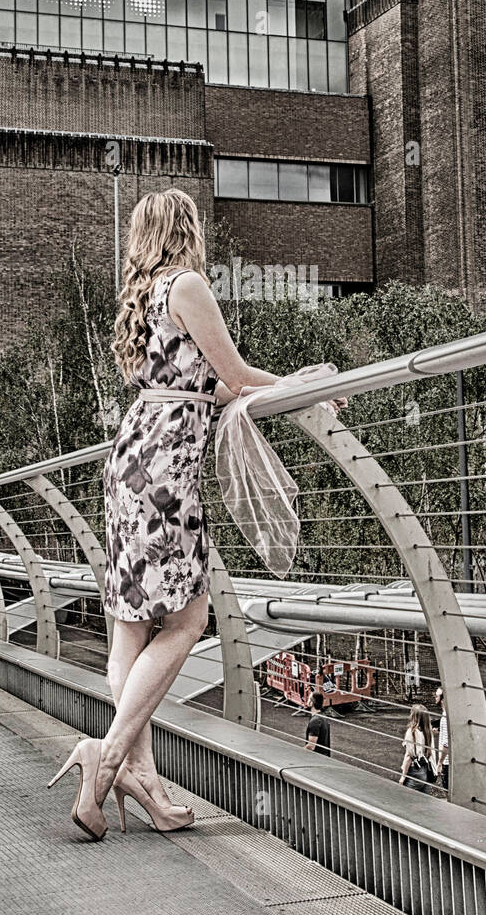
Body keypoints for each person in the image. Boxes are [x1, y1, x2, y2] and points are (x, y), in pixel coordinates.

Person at [48, 189, 345, 839]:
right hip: (162, 471)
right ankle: (104, 761)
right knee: (187, 617)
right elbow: (234, 375)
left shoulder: (145, 295)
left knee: (132, 625)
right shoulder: (187, 286)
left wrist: (294, 386)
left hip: (133, 461)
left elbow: (208, 384)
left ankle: (140, 779)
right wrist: (304, 386)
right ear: (188, 229)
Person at [398, 704, 435, 792]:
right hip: (426, 771)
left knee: (407, 801)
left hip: (414, 771)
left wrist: (403, 777)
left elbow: (408, 756)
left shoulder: (412, 732)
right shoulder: (428, 731)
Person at [305, 691, 332, 757]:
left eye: (309, 698)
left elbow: (311, 746)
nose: (307, 700)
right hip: (324, 757)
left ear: (312, 703)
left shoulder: (315, 721)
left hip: (316, 758)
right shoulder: (323, 717)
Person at [434, 685, 450, 791]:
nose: (435, 697)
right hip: (450, 761)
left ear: (443, 699)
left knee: (447, 790)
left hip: (447, 762)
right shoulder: (447, 715)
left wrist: (439, 763)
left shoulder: (445, 717)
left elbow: (446, 744)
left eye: (437, 695)